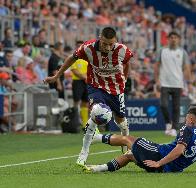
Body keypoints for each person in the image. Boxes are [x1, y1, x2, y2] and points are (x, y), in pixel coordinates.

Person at [43, 27, 134, 167]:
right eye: (105, 43)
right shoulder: (88, 47)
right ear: (99, 38)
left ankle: (126, 141)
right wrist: (57, 76)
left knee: (120, 120)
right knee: (97, 112)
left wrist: (125, 78)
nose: (108, 47)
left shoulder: (122, 50)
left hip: (116, 89)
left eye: (111, 44)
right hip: (96, 86)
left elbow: (127, 63)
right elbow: (71, 59)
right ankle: (84, 151)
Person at [84, 106, 196, 173]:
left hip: (160, 158)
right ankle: (96, 169)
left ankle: (95, 137)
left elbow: (179, 150)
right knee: (129, 156)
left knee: (130, 140)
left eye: (186, 118)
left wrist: (159, 162)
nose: (185, 120)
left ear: (191, 120)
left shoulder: (188, 129)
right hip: (171, 169)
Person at [154, 31, 191, 136]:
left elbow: (187, 67)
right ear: (168, 39)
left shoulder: (183, 52)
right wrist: (157, 80)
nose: (173, 39)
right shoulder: (162, 51)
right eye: (171, 37)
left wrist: (188, 82)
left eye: (175, 37)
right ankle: (167, 124)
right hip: (164, 82)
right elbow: (156, 66)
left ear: (178, 39)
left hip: (177, 83)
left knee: (176, 107)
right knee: (163, 105)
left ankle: (174, 128)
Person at [70, 41, 89, 128]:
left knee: (85, 102)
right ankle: (74, 121)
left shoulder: (87, 57)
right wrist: (84, 77)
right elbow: (74, 70)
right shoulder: (74, 57)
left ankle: (84, 123)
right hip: (77, 81)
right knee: (76, 101)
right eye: (78, 46)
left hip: (86, 81)